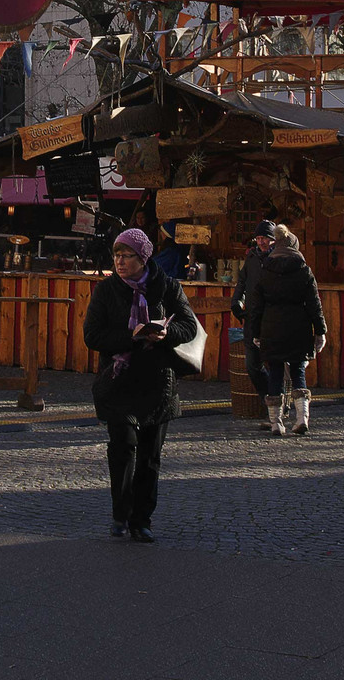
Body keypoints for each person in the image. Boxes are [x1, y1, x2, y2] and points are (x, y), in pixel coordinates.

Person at [84, 228, 201, 544]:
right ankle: (120, 514)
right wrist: (131, 335)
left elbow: (189, 326)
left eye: (127, 256)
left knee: (150, 456)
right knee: (122, 448)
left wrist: (166, 333)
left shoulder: (166, 286)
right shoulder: (107, 290)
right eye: (116, 256)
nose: (120, 262)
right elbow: (92, 336)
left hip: (156, 382)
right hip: (119, 382)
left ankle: (142, 520)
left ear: (143, 257)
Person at [247, 225, 326, 436]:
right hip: (298, 327)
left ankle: (276, 423)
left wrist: (255, 333)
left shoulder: (266, 270)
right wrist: (320, 331)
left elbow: (256, 306)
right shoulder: (303, 270)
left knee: (275, 372)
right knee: (298, 370)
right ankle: (302, 418)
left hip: (271, 327)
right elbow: (314, 304)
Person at [230, 221, 277, 428]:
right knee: (252, 365)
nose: (262, 242)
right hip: (252, 316)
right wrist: (236, 301)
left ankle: (276, 410)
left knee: (275, 363)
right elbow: (242, 281)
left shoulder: (279, 258)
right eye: (259, 238)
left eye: (265, 238)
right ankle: (270, 401)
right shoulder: (251, 257)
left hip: (272, 316)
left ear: (273, 239)